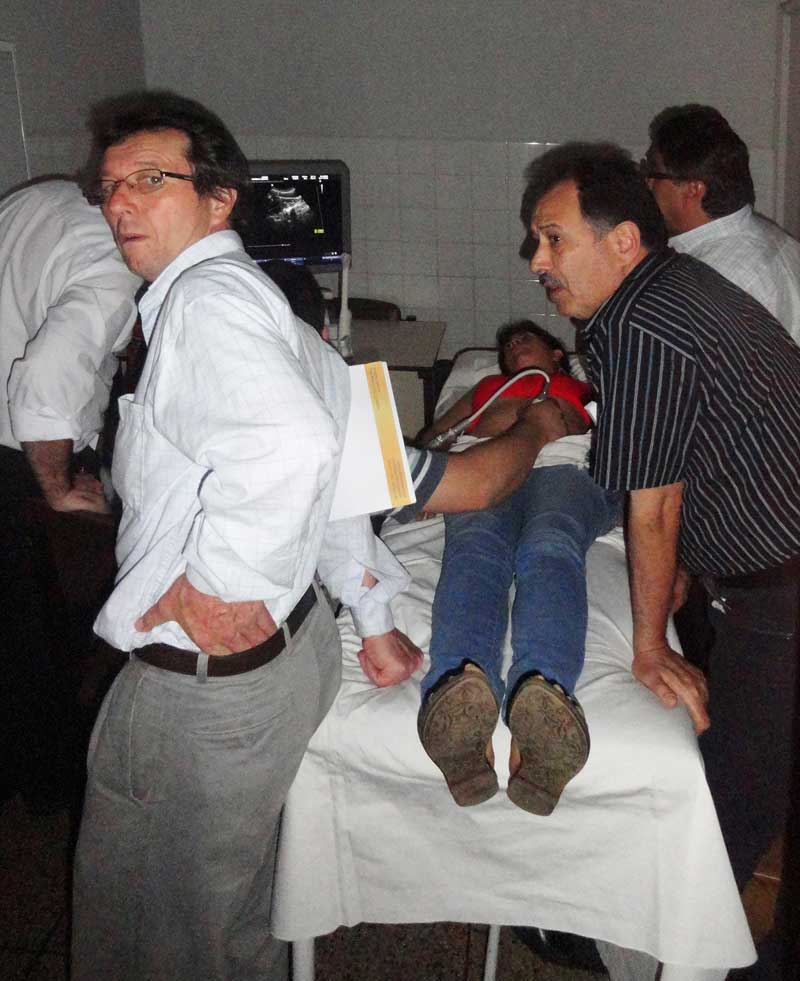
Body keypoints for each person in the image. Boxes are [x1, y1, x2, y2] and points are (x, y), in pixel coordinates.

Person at [71, 89, 419, 981]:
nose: (121, 202)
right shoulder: (261, 299)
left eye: (152, 179)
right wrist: (373, 614)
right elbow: (335, 457)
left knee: (161, 935)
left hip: (207, 688)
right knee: (227, 914)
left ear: (220, 198)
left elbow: (291, 448)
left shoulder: (205, 300)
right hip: (289, 654)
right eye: (111, 186)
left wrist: (216, 585)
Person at [521, 141, 800, 976]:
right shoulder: (660, 295)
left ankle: (675, 948)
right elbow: (700, 446)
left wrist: (648, 645)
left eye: (553, 238)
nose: (537, 260)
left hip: (783, 585)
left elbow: (656, 502)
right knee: (751, 776)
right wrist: (685, 571)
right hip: (765, 568)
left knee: (740, 787)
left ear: (623, 241)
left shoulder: (643, 324)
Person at [413, 320, 619, 813]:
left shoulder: (584, 388)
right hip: (486, 467)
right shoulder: (487, 388)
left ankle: (542, 702)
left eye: (525, 340)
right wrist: (422, 479)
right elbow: (435, 435)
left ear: (556, 353)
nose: (513, 347)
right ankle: (461, 709)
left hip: (565, 466)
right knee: (474, 552)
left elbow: (626, 439)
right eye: (507, 346)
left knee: (548, 546)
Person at [0, 178, 140, 808]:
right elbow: (47, 378)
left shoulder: (45, 197)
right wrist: (57, 487)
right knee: (39, 640)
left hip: (19, 446)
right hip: (22, 460)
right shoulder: (113, 268)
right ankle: (50, 790)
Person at [643, 104, 800, 344]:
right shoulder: (769, 235)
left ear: (693, 189)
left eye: (654, 173)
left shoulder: (712, 276)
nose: (648, 183)